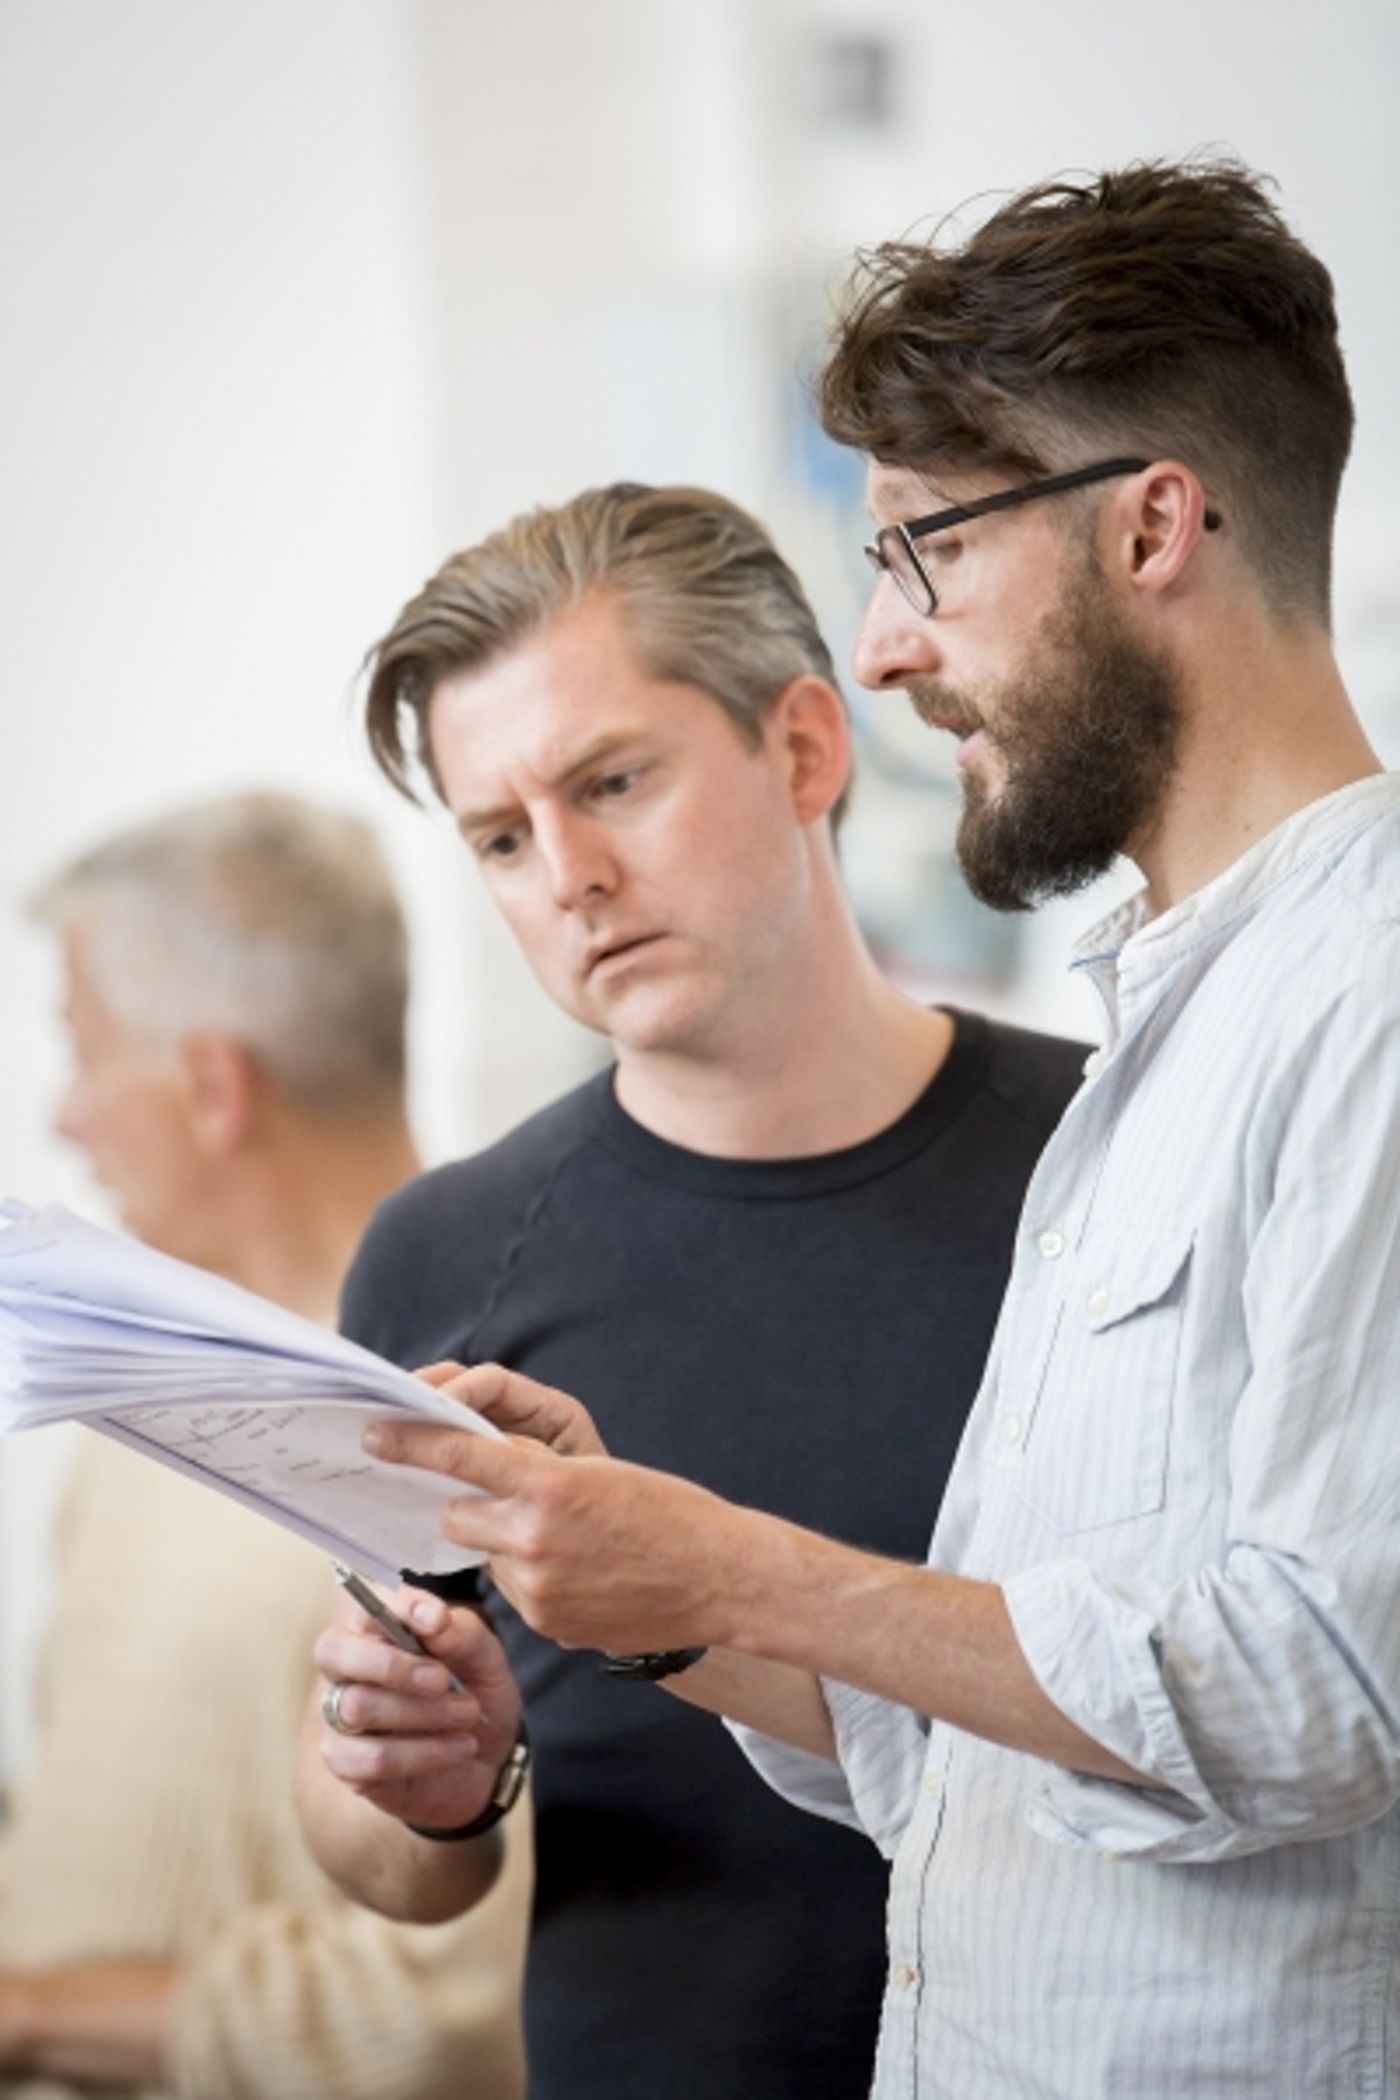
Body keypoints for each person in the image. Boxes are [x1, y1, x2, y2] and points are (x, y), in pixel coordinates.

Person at [325, 162, 1400, 2100]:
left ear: (1152, 524)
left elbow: (1334, 1685)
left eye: (924, 552)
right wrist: (650, 1589)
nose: (889, 645)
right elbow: (989, 1757)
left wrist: (732, 1570)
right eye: (498, 835)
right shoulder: (1163, 1031)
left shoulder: (1369, 998)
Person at [295, 483, 1086, 2100]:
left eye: (615, 783)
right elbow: (388, 1859)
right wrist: (418, 1785)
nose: (570, 875)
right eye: (503, 838)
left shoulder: (1118, 1155)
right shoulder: (440, 1255)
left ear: (805, 749)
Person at [0, 793, 529, 2100]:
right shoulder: (136, 1412)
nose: (67, 1116)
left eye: (84, 1048)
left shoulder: (482, 1453)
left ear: (209, 1083)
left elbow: (445, 2016)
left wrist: (23, 2018)